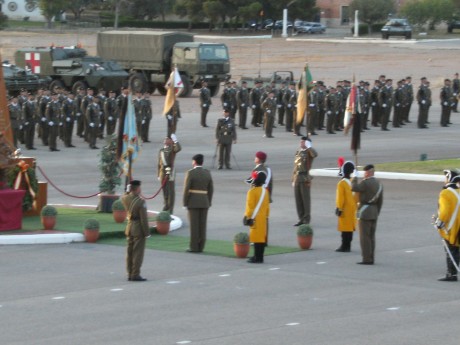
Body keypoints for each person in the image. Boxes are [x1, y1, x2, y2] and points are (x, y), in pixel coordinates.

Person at [352, 164, 384, 265]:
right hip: (374, 212)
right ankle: (371, 257)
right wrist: (376, 212)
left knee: (364, 237)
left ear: (369, 172)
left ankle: (366, 259)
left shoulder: (365, 183)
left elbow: (354, 188)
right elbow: (380, 201)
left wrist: (354, 177)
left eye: (365, 172)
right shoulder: (379, 184)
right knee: (371, 237)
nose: (364, 174)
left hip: (365, 212)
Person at [183, 154, 214, 253]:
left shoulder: (191, 173)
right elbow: (211, 189)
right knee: (202, 225)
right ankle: (201, 246)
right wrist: (208, 201)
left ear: (194, 162)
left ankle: (194, 247)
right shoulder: (207, 173)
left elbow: (186, 189)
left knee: (194, 226)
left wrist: (185, 202)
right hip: (204, 201)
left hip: (193, 202)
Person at [121, 180, 150, 282]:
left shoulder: (125, 198)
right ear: (137, 189)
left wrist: (128, 190)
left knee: (129, 252)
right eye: (139, 188)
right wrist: (147, 232)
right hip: (138, 229)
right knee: (138, 253)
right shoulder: (141, 202)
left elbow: (125, 195)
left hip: (129, 228)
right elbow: (144, 219)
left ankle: (129, 273)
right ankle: (135, 274)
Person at [434, 170, 460, 281]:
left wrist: (439, 222)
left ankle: (451, 274)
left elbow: (445, 211)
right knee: (456, 249)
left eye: (446, 177)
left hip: (450, 227)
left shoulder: (445, 193)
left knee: (450, 249)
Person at [244, 171, 270, 263]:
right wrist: (266, 216)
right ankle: (260, 256)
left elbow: (250, 207)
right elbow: (267, 206)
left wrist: (247, 216)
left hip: (255, 218)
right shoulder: (265, 192)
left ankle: (256, 257)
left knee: (255, 238)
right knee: (261, 238)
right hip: (263, 217)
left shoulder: (252, 192)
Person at [292, 136, 318, 226]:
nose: (301, 143)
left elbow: (315, 155)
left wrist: (309, 147)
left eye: (303, 142)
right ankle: (301, 218)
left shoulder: (308, 152)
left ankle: (306, 219)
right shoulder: (298, 152)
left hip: (305, 178)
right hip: (297, 177)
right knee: (298, 200)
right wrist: (293, 178)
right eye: (301, 142)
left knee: (305, 200)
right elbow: (295, 166)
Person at [335, 161, 357, 252]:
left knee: (344, 229)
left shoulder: (341, 183)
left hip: (344, 209)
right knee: (350, 228)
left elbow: (340, 198)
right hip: (352, 209)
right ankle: (348, 245)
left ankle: (344, 246)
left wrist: (339, 208)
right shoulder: (352, 182)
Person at [157, 134, 182, 214]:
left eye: (168, 139)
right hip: (162, 173)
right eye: (165, 138)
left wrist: (176, 140)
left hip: (170, 172)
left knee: (170, 191)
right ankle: (166, 206)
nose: (165, 140)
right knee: (165, 191)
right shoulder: (161, 150)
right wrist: (158, 174)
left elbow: (178, 148)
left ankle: (170, 210)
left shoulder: (172, 149)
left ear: (170, 141)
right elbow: (159, 163)